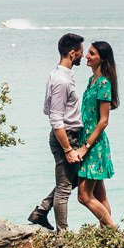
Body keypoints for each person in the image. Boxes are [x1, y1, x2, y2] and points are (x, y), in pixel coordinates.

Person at [29, 33, 86, 231]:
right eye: (80, 52)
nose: (83, 55)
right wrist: (68, 149)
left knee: (76, 179)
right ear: (72, 53)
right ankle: (63, 235)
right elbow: (55, 118)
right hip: (66, 136)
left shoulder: (57, 75)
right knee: (64, 189)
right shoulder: (62, 81)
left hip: (70, 134)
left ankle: (41, 210)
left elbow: (47, 108)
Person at [74, 40, 118, 228]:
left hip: (94, 145)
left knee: (84, 197)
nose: (87, 56)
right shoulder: (92, 81)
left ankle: (115, 233)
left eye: (92, 53)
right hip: (88, 139)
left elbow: (103, 121)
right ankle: (106, 237)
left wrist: (85, 147)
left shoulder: (103, 83)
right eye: (88, 53)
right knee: (100, 196)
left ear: (102, 58)